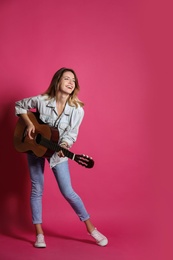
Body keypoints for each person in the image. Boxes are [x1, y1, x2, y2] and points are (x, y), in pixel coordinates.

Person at [15, 67, 108, 248]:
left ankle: (91, 229)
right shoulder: (42, 100)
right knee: (37, 188)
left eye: (73, 80)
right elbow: (19, 105)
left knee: (68, 191)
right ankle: (39, 234)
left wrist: (64, 146)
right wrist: (29, 124)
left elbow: (71, 135)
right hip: (34, 148)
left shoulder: (77, 110)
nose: (71, 82)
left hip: (55, 150)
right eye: (66, 78)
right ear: (58, 81)